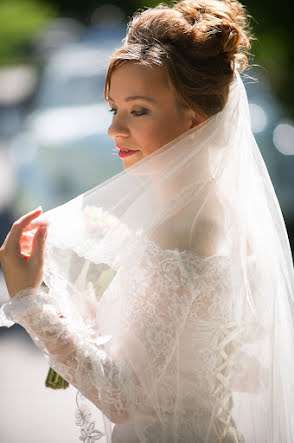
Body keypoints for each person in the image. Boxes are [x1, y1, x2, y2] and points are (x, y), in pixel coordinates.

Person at [1, 1, 294, 442]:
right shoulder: (219, 214)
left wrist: (28, 301)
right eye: (113, 109)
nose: (115, 130)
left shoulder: (181, 233)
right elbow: (224, 365)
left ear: (195, 118)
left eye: (138, 111)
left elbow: (123, 398)